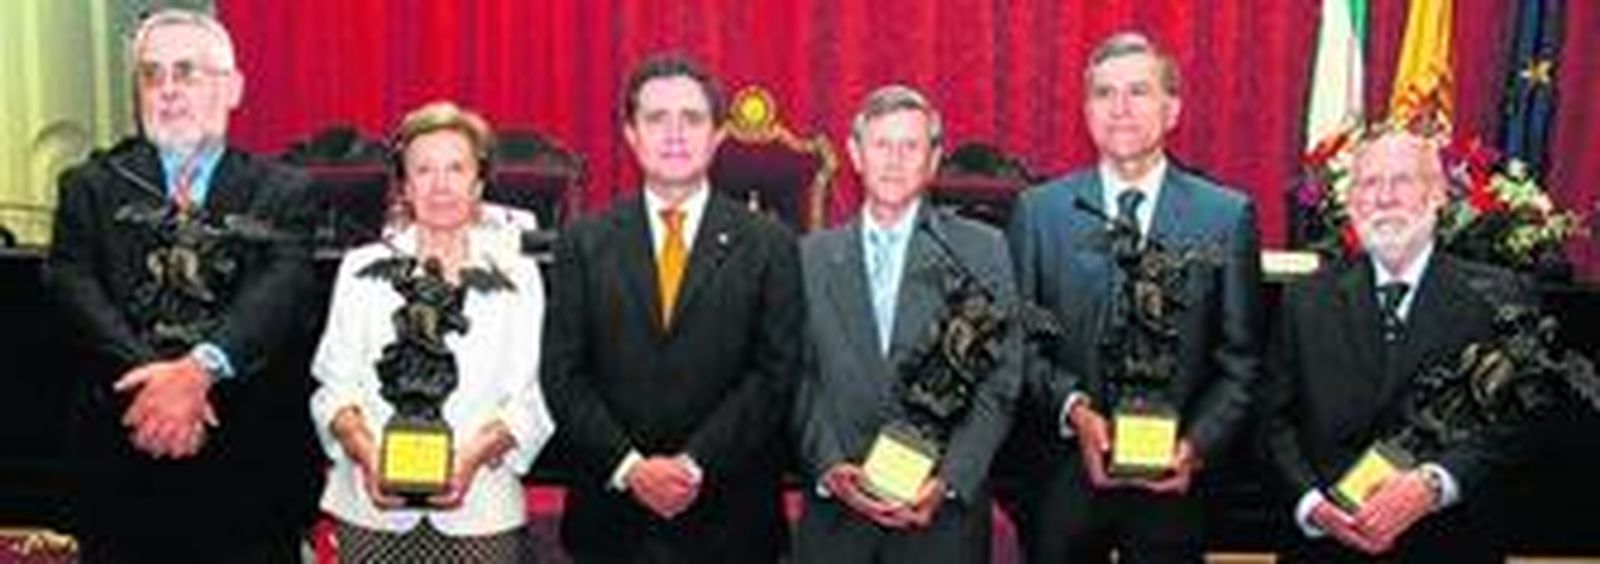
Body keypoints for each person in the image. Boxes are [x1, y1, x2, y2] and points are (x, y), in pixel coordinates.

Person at [45, 8, 319, 562]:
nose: (167, 91)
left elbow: (281, 290)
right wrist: (159, 388)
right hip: (123, 449)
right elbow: (73, 287)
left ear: (233, 87)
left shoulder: (283, 190)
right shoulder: (89, 185)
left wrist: (200, 370)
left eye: (186, 72)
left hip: (248, 467)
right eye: (152, 74)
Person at [1004, 31, 1264, 563]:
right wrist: (1074, 411)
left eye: (1138, 92)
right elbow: (1017, 342)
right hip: (1062, 479)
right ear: (1086, 110)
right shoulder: (1038, 212)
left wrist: (1195, 448)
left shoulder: (1226, 216)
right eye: (1104, 93)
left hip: (1176, 485)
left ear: (1172, 110)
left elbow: (1241, 361)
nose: (1120, 109)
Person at [539, 54, 803, 563]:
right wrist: (630, 468)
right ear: (631, 135)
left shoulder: (770, 243)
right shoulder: (584, 241)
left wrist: (693, 464)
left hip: (732, 521)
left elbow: (774, 376)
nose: (675, 134)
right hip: (611, 520)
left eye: (693, 119)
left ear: (719, 134)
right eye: (657, 119)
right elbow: (563, 374)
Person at [1261, 127, 1534, 562]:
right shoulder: (1304, 299)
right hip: (1327, 546)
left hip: (1449, 543)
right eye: (1369, 183)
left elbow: (1519, 421)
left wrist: (1436, 483)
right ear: (1349, 202)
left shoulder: (1499, 297)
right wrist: (1312, 506)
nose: (1384, 198)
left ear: (1438, 195)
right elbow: (1272, 421)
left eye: (1402, 180)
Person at [309, 101, 554, 562]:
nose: (440, 185)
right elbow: (333, 386)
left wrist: (470, 459)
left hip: (479, 509)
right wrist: (367, 455)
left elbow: (531, 396)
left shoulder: (518, 275)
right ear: (404, 185)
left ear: (479, 181)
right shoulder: (360, 268)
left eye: (456, 168)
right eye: (423, 170)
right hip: (371, 508)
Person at [793, 85, 1020, 563]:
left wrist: (951, 479)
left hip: (940, 522)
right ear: (855, 154)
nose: (894, 160)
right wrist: (829, 465)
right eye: (881, 145)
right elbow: (797, 379)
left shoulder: (983, 251)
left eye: (910, 146)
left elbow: (999, 381)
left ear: (934, 158)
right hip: (838, 523)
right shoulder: (808, 259)